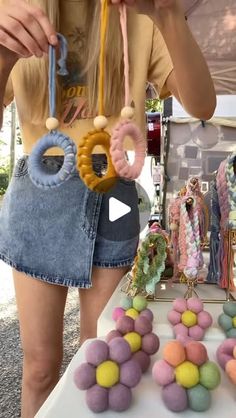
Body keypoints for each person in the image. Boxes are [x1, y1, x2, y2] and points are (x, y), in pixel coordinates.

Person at [0, 0, 216, 417]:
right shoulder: (16, 7)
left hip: (114, 194)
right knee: (40, 369)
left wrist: (169, 13)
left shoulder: (141, 13)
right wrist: (5, 51)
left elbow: (203, 105)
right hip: (40, 193)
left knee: (101, 357)